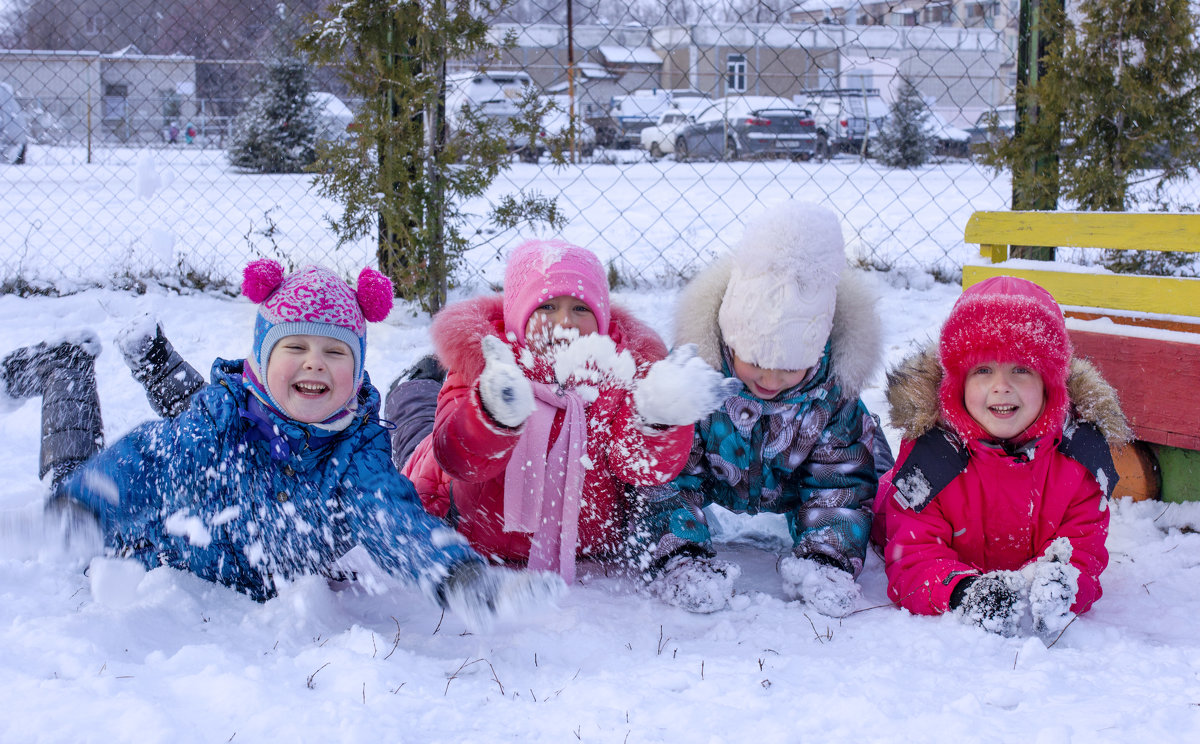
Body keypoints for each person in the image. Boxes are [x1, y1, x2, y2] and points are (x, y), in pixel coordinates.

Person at [0, 259, 562, 628]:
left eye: (335, 352)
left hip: (251, 443)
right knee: (179, 429)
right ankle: (62, 365)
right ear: (262, 356)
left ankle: (152, 358)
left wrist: (456, 576)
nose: (316, 360)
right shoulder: (223, 418)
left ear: (357, 367)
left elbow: (394, 518)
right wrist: (82, 508)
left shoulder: (358, 453)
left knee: (227, 411)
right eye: (296, 347)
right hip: (127, 531)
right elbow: (151, 456)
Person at [386, 238, 739, 585]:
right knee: (417, 426)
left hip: (587, 542)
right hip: (463, 519)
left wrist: (659, 417)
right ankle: (414, 384)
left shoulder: (621, 375)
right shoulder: (487, 370)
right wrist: (492, 413)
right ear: (517, 316)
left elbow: (640, 468)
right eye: (547, 307)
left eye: (580, 309)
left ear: (600, 318)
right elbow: (460, 459)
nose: (565, 322)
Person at [636, 203, 892, 616]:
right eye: (754, 361)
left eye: (790, 368)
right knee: (662, 468)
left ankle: (823, 556)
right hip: (716, 473)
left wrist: (827, 559)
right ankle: (680, 554)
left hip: (795, 482)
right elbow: (664, 474)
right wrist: (677, 551)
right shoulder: (695, 384)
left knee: (861, 468)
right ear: (728, 341)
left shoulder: (833, 400)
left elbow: (839, 486)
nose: (770, 380)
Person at [873, 275, 1130, 639]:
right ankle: (870, 439)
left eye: (1020, 369)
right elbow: (911, 555)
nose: (1001, 386)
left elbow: (1084, 549)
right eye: (983, 370)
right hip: (892, 511)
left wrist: (1064, 584)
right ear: (957, 383)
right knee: (876, 490)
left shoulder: (1079, 458)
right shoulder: (932, 457)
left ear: (1050, 381)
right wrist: (960, 591)